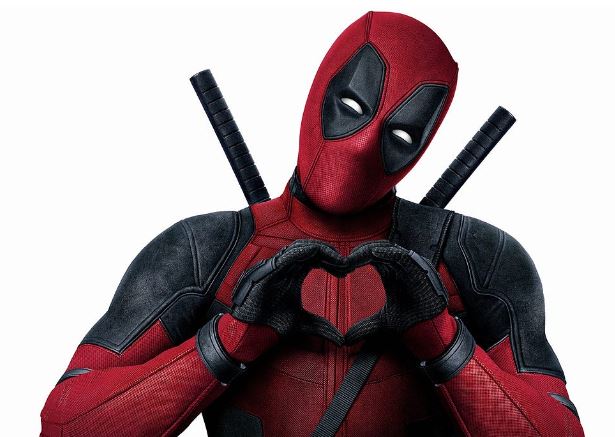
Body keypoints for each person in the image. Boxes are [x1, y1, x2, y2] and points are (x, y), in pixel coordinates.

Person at [41, 12, 584, 437]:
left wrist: (441, 340)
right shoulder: (205, 248)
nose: (363, 145)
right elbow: (66, 423)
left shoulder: (473, 255)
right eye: (352, 105)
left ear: (423, 145)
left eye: (400, 134)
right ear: (319, 89)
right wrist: (227, 343)